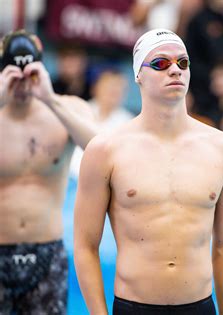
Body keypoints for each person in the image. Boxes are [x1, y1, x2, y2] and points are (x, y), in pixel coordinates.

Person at [74, 28, 223, 315]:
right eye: (161, 63)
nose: (175, 70)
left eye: (183, 63)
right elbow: (85, 245)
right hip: (133, 307)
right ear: (138, 75)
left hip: (200, 307)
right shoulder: (105, 150)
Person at [0, 30, 96, 314]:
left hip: (47, 252)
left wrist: (51, 100)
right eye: (12, 73)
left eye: (29, 73)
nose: (21, 83)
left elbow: (102, 149)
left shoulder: (68, 109)